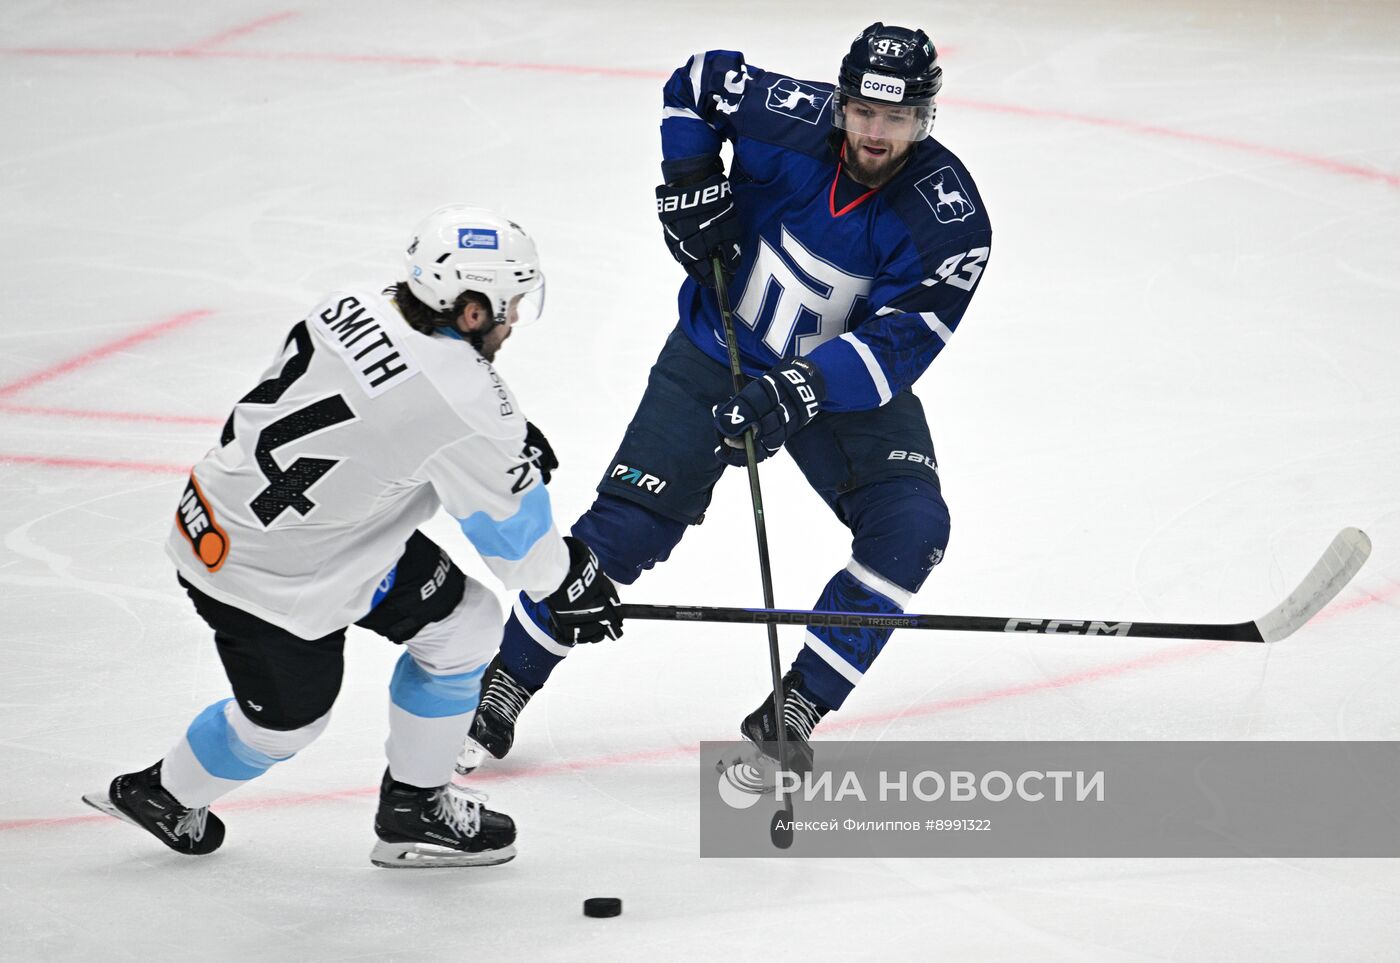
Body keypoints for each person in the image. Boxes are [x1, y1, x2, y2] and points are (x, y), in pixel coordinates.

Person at [459, 22, 992, 776]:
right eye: (865, 112)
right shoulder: (788, 116)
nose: (877, 134)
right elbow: (698, 81)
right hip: (717, 350)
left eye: (898, 118)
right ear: (841, 102)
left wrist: (800, 388)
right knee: (625, 530)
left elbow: (900, 343)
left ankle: (796, 705)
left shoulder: (949, 221)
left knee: (911, 528)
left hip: (837, 389)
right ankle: (505, 682)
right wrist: (691, 180)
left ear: (926, 118)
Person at [81, 205, 624, 867]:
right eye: (508, 307)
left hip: (235, 513)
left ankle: (415, 809)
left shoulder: (352, 302)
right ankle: (164, 793)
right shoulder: (468, 404)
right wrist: (568, 581)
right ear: (472, 310)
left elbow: (384, 413)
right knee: (285, 726)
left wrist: (486, 452)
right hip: (269, 580)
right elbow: (519, 549)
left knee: (465, 623)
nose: (511, 323)